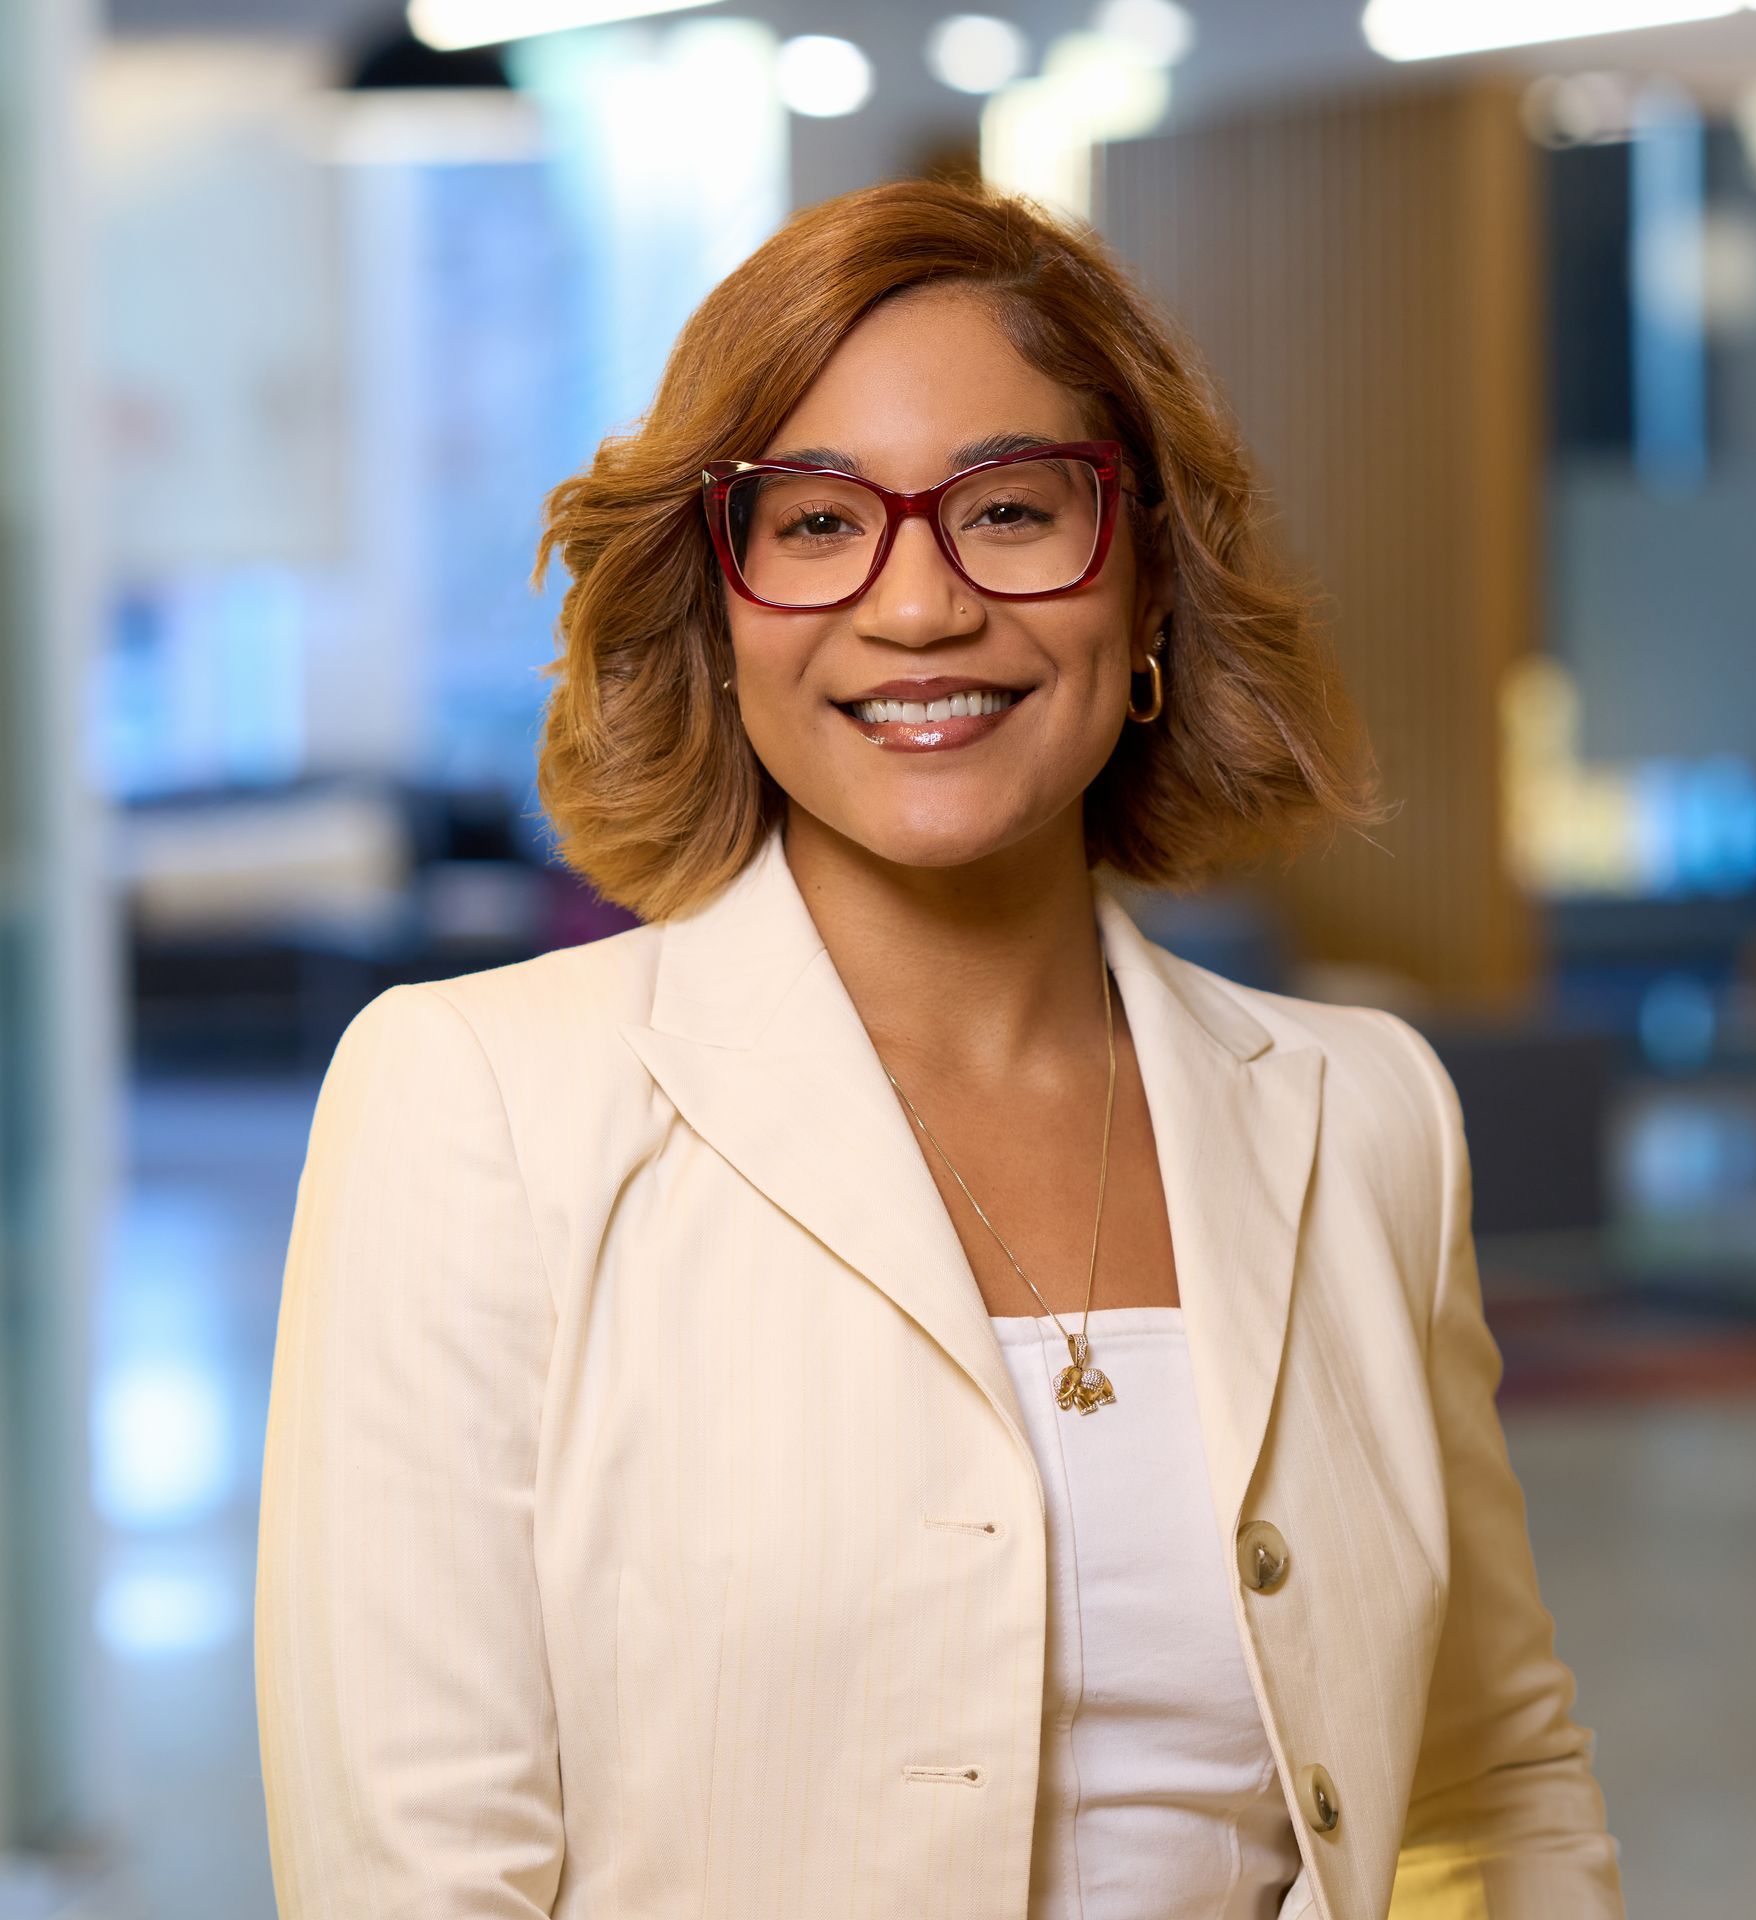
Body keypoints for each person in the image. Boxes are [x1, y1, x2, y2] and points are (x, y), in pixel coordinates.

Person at [254, 177, 1626, 1920]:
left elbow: (1485, 1784)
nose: (918, 609)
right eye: (818, 522)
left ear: (1141, 589)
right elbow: (412, 1873)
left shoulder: (1367, 1117)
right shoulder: (475, 1102)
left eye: (1011, 507)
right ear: (720, 602)